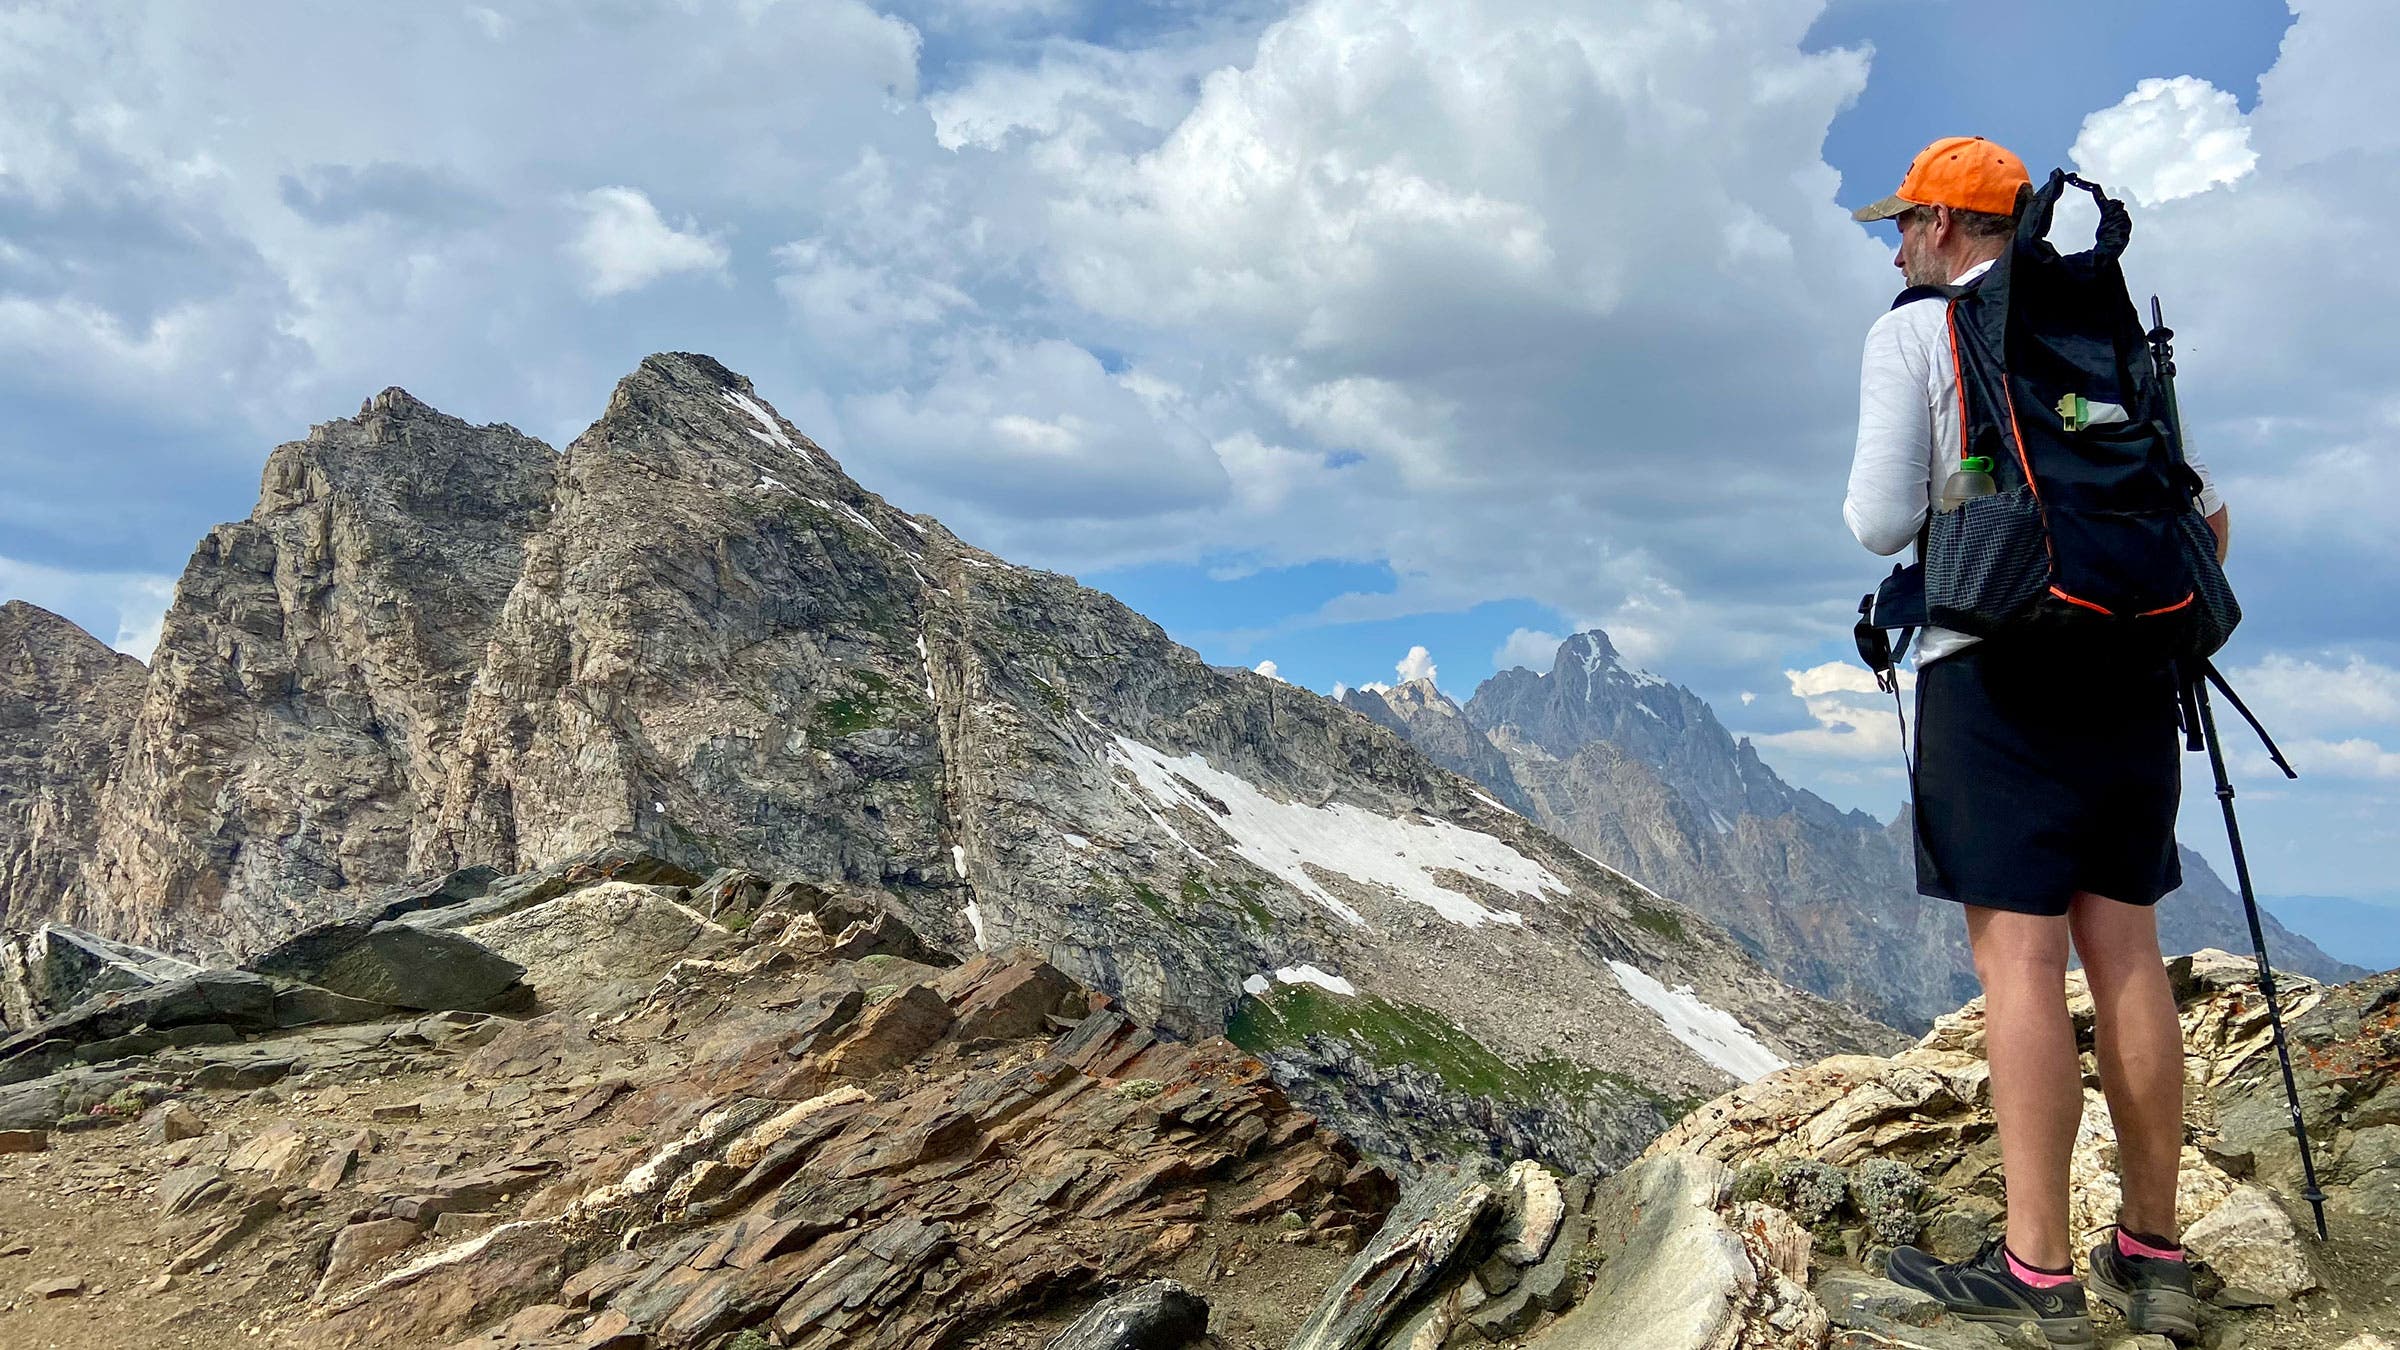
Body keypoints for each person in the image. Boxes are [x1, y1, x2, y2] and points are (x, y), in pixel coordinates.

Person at [1842, 136, 2229, 1346]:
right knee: (2127, 952)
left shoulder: (1916, 332)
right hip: (2128, 672)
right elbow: (2201, 511)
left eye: (1905, 222)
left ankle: (2039, 1274)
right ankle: (2155, 1253)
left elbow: (1876, 522)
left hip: (1994, 672)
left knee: (2019, 970)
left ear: (1953, 229)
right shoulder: (2104, 328)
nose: (1896, 244)